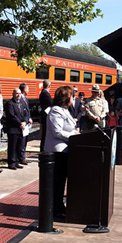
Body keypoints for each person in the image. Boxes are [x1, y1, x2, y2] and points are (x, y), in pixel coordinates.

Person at [44, 86, 79, 218]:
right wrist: (74, 136)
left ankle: (59, 206)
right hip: (57, 151)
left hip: (65, 151)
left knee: (61, 181)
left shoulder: (65, 110)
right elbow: (57, 131)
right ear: (66, 98)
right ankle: (55, 208)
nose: (73, 98)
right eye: (72, 95)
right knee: (57, 182)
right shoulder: (56, 111)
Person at [5, 88, 29, 170]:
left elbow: (26, 113)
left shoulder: (22, 103)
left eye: (19, 93)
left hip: (21, 128)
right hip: (13, 128)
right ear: (13, 94)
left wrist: (25, 122)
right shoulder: (10, 103)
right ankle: (11, 163)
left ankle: (17, 162)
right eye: (16, 93)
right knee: (12, 146)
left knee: (19, 145)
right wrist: (20, 123)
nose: (18, 95)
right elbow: (12, 116)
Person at [19, 83, 32, 165]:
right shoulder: (20, 99)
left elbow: (27, 111)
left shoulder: (26, 99)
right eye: (27, 89)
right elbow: (21, 112)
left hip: (27, 123)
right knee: (22, 141)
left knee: (25, 140)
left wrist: (29, 118)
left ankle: (23, 157)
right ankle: (21, 158)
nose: (28, 90)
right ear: (24, 90)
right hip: (23, 123)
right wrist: (25, 120)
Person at [39, 80, 52, 152]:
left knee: (44, 134)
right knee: (44, 134)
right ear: (49, 85)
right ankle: (43, 150)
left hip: (45, 115)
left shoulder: (43, 92)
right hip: (46, 116)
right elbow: (50, 103)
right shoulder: (45, 93)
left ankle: (43, 149)